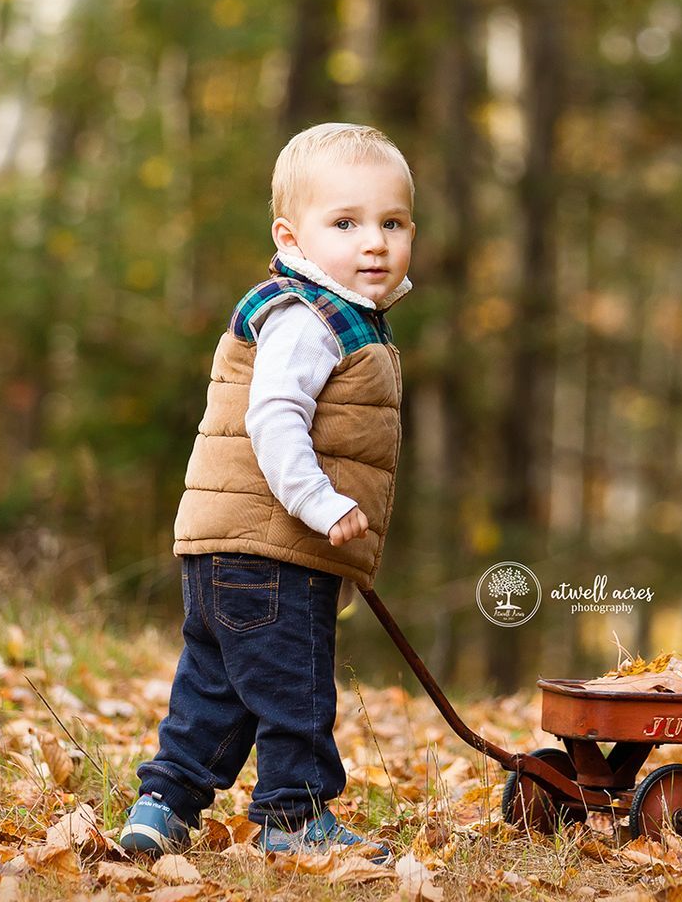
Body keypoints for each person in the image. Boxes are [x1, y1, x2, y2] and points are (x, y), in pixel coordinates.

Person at [118, 122, 416, 862]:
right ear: (291, 234)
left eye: (392, 222)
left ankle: (163, 804)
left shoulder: (327, 311)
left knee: (216, 686)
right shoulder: (308, 319)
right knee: (296, 689)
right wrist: (319, 504)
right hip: (275, 545)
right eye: (345, 223)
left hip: (229, 543)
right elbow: (274, 418)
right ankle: (294, 816)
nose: (373, 242)